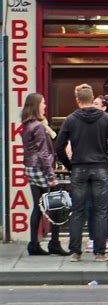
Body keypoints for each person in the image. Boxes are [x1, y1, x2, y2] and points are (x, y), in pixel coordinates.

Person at [56, 84, 108, 262]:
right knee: (100, 210)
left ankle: (75, 252)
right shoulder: (105, 119)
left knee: (77, 211)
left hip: (79, 168)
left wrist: (69, 165)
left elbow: (59, 146)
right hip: (100, 168)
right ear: (92, 99)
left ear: (77, 100)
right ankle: (100, 253)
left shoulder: (70, 120)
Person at [21, 93, 69, 256]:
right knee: (56, 206)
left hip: (31, 169)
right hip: (42, 170)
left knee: (38, 207)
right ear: (36, 106)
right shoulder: (39, 127)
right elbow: (43, 154)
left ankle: (33, 243)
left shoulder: (27, 125)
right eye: (43, 103)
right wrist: (51, 177)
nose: (45, 106)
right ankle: (54, 243)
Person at [84, 94, 108, 254]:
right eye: (93, 103)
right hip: (91, 169)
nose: (93, 105)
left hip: (107, 170)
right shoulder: (88, 123)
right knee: (90, 205)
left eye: (97, 104)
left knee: (104, 206)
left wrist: (107, 165)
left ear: (104, 107)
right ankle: (92, 238)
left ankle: (106, 239)